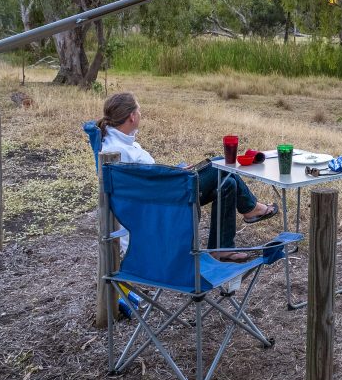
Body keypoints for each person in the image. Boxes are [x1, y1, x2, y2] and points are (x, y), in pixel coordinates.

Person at [97, 92, 278, 262]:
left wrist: (175, 171)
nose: (140, 114)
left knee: (228, 183)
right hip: (167, 202)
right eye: (139, 110)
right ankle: (251, 208)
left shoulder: (116, 141)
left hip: (165, 191)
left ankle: (221, 248)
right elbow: (144, 191)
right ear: (132, 117)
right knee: (219, 165)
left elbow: (145, 180)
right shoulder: (118, 151)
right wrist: (174, 177)